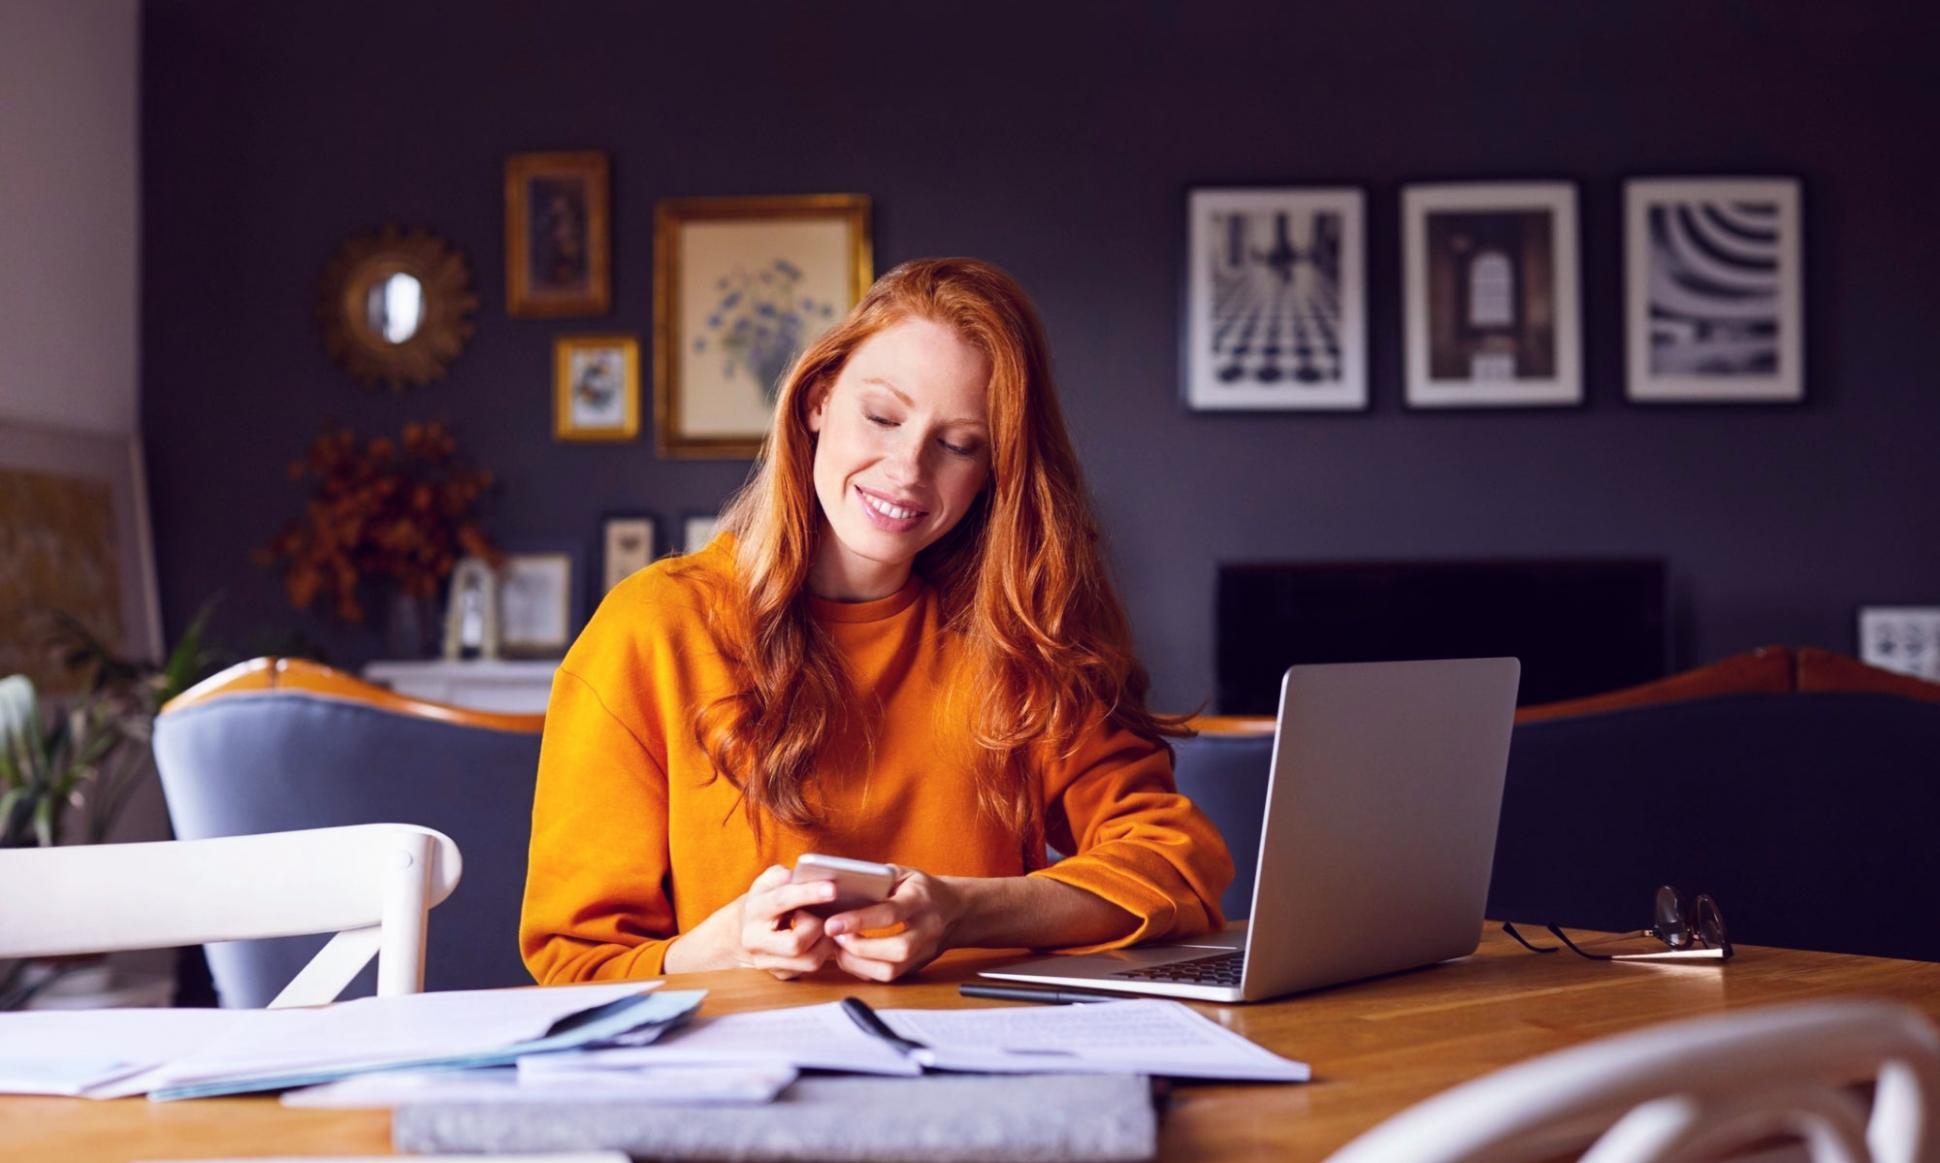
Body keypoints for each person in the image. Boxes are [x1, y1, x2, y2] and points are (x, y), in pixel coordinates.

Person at [520, 258, 1233, 984]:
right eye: (883, 417)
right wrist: (729, 943)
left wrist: (960, 910)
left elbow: (1176, 862)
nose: (907, 468)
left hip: (980, 1065)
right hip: (740, 1073)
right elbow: (575, 960)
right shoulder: (654, 629)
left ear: (993, 472)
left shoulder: (1012, 636)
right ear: (817, 399)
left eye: (958, 445)